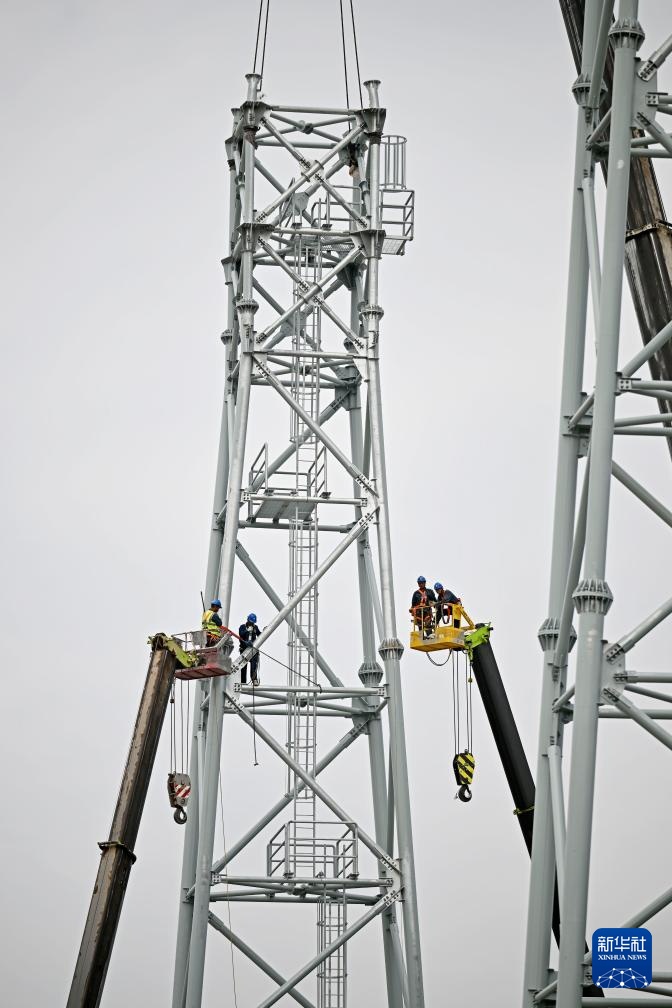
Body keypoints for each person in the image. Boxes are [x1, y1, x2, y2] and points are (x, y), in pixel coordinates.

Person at [239, 612, 261, 685]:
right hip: (244, 649)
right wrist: (247, 631)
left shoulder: (255, 627)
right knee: (243, 666)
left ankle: (254, 679)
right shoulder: (242, 627)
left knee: (254, 665)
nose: (252, 624)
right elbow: (241, 635)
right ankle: (242, 681)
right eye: (251, 622)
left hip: (252, 650)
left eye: (253, 623)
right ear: (248, 620)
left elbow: (259, 634)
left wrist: (264, 631)